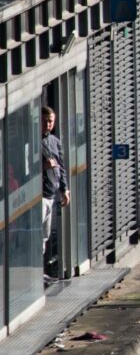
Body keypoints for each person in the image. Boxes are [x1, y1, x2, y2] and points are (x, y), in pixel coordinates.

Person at [41, 106, 67, 279]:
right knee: (38, 235)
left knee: (45, 235)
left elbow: (61, 166)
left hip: (52, 193)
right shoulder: (34, 142)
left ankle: (41, 271)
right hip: (39, 195)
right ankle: (37, 273)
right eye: (45, 121)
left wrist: (65, 189)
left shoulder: (54, 141)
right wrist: (42, 166)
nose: (48, 125)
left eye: (51, 121)